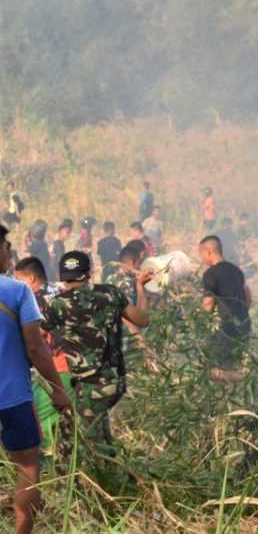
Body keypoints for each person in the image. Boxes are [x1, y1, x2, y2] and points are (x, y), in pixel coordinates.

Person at [41, 251, 149, 463]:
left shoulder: (57, 304)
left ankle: (84, 486)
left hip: (89, 386)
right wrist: (140, 287)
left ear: (62, 275)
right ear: (88, 272)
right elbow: (143, 319)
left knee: (75, 442)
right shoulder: (111, 294)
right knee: (99, 433)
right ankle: (117, 478)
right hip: (115, 382)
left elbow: (36, 338)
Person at [0, 225, 71, 534]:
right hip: (13, 398)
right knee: (27, 467)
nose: (9, 250)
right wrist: (58, 390)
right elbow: (36, 347)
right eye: (5, 245)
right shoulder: (17, 291)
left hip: (14, 398)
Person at [13, 258, 72, 454]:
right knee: (65, 420)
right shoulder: (62, 292)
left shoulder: (32, 301)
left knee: (43, 420)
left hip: (52, 367)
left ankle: (51, 470)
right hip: (73, 364)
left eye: (17, 279)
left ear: (31, 278)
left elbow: (36, 341)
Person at [198, 236, 252, 381]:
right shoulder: (237, 271)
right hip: (244, 325)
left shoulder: (210, 274)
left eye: (201, 254)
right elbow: (248, 296)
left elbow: (208, 305)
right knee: (232, 364)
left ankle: (245, 378)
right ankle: (234, 392)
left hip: (225, 328)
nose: (202, 259)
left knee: (211, 370)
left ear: (209, 252)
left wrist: (198, 322)